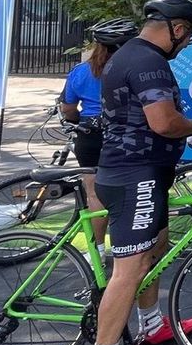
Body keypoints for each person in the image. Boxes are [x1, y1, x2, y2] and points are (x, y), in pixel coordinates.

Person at [80, 0, 192, 345]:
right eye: (186, 36)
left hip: (140, 173)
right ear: (175, 28)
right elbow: (164, 121)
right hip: (133, 175)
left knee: (156, 246)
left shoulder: (129, 55)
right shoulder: (148, 62)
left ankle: (152, 325)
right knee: (131, 267)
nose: (186, 43)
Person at [58, 17, 138, 260]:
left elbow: (68, 107)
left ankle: (97, 251)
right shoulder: (133, 69)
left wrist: (75, 121)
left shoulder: (81, 72)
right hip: (124, 134)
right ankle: (131, 248)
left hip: (89, 136)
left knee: (94, 193)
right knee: (130, 191)